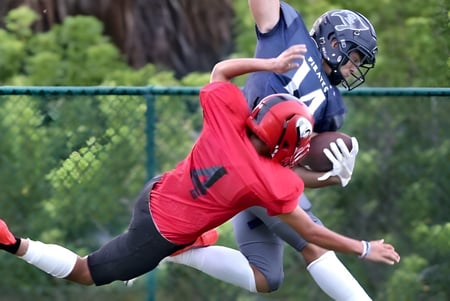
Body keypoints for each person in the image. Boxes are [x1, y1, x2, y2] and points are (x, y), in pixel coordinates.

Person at [0, 45, 399, 288]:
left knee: (212, 229)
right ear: (283, 145)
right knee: (86, 272)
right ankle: (13, 244)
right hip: (157, 232)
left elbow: (221, 72)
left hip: (159, 190)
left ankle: (187, 245)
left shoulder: (230, 117)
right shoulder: (267, 180)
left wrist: (273, 65)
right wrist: (362, 247)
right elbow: (311, 229)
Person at [166, 1, 381, 300]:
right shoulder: (290, 35)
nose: (353, 68)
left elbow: (290, 169)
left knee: (266, 276)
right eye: (354, 57)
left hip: (260, 173)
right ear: (334, 42)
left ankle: (179, 251)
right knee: (314, 244)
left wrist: (334, 177)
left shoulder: (332, 108)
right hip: (241, 156)